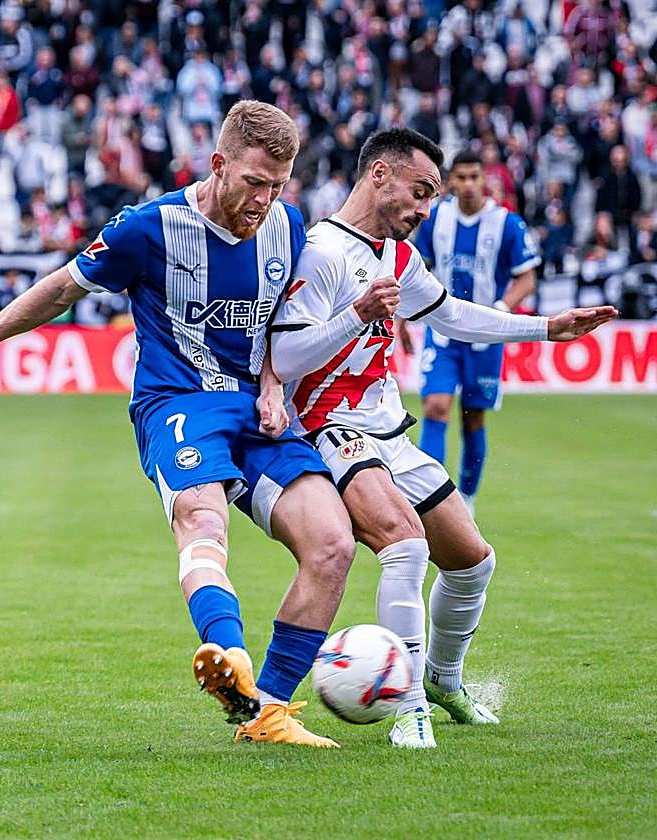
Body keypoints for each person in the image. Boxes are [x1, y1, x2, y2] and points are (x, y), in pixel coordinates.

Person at [0, 102, 356, 749]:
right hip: (179, 403)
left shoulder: (287, 227)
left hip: (259, 412)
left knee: (332, 545)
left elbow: (282, 329)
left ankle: (266, 714)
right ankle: (226, 653)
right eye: (253, 182)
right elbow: (60, 289)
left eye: (277, 185)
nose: (265, 200)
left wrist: (273, 385)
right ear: (218, 165)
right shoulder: (148, 229)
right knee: (201, 515)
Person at [268, 128, 617, 748]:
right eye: (422, 191)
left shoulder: (400, 257)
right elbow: (285, 355)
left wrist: (548, 328)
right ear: (379, 175)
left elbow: (452, 314)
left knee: (474, 562)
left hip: (388, 433)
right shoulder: (321, 251)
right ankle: (406, 710)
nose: (428, 208)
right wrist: (357, 315)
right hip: (330, 427)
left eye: (434, 195)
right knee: (405, 545)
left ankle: (441, 682)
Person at [405, 149, 541, 513]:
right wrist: (403, 317)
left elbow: (527, 276)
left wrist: (503, 308)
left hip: (486, 336)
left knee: (473, 417)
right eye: (460, 177)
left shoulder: (506, 224)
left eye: (474, 177)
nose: (467, 185)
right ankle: (428, 499)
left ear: (485, 179)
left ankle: (466, 499)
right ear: (450, 181)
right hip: (443, 330)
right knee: (435, 406)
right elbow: (414, 269)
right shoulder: (436, 219)